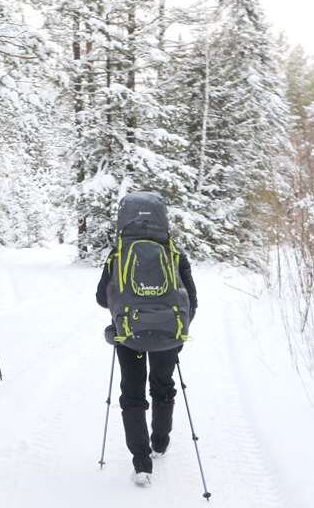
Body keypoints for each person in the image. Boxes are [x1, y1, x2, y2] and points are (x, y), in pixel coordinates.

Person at [95, 191, 197, 487]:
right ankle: (161, 442)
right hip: (168, 332)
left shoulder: (118, 254)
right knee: (164, 385)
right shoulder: (174, 253)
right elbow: (191, 298)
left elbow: (102, 298)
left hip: (130, 333)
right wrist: (179, 327)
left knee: (133, 392)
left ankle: (141, 464)